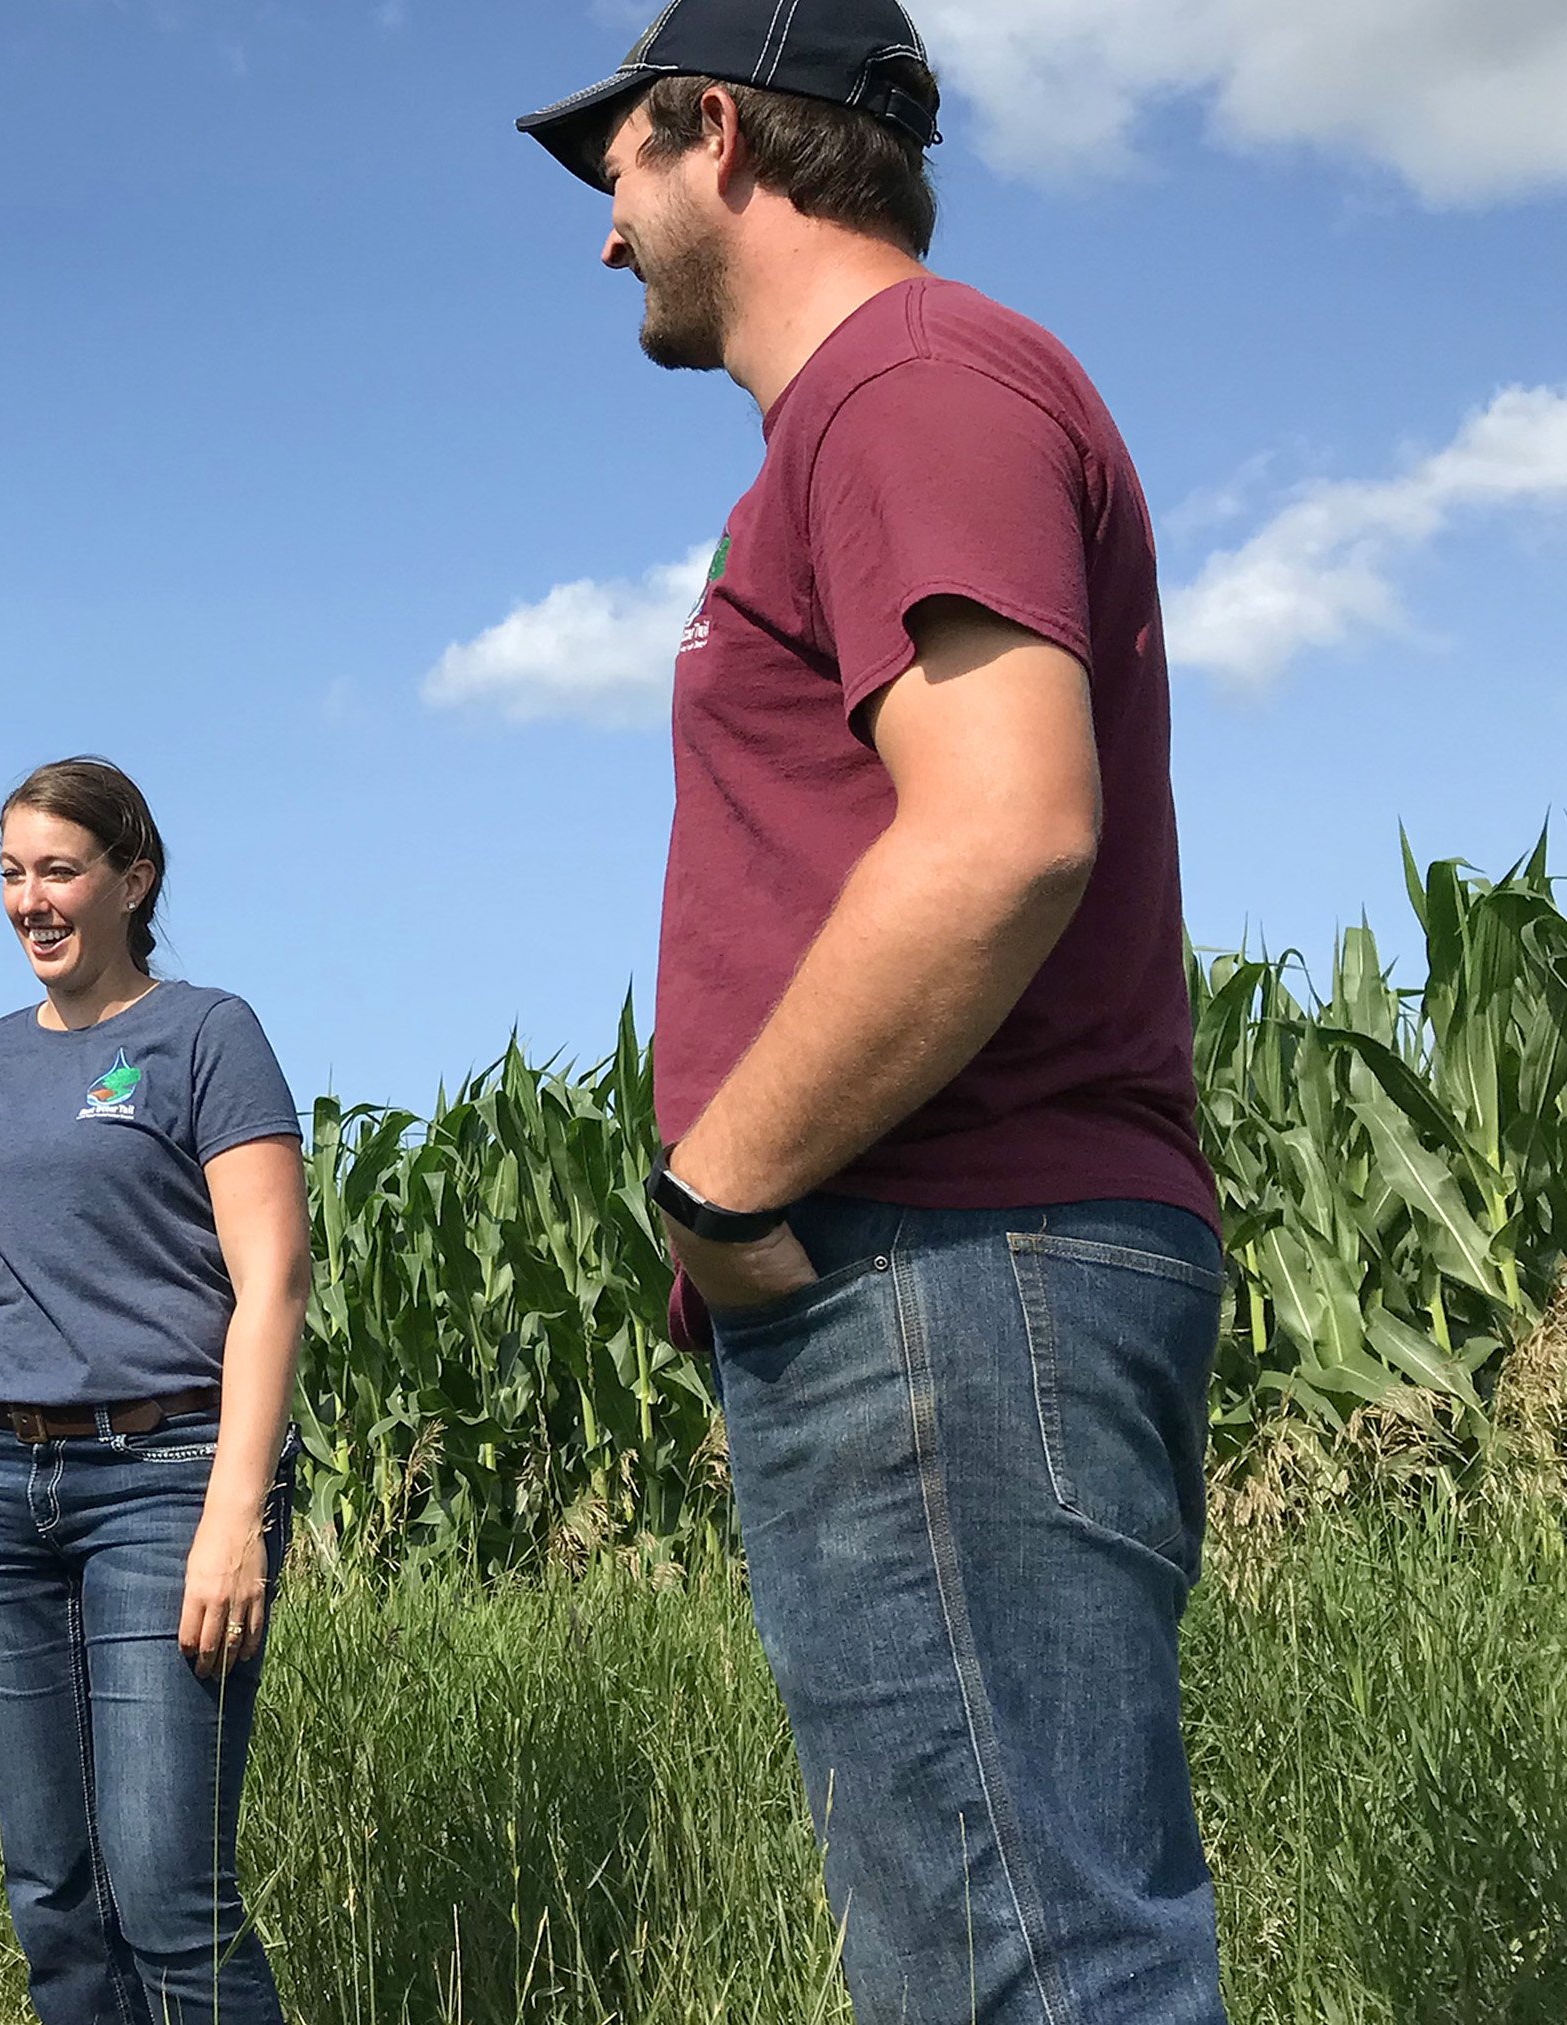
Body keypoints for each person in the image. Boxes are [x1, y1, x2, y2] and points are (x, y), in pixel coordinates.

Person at [515, 6, 1230, 2021]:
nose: (604, 238)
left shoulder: (906, 382)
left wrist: (714, 1192)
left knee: (1026, 1964)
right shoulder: (892, 409)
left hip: (940, 1262)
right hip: (949, 1274)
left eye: (619, 175)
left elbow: (1006, 831)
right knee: (996, 1947)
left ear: (715, 126)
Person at [0, 756, 310, 2024]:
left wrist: (236, 1514)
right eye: (11, 874)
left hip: (167, 1485)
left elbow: (271, 1282)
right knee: (52, 1898)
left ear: (135, 877)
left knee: (172, 1894)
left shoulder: (205, 1034)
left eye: (58, 870)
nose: (30, 901)